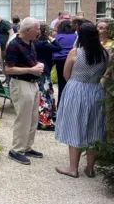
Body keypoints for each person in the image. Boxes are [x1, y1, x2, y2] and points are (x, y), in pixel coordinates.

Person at [55, 22, 110, 178]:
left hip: (76, 90)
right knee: (95, 128)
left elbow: (66, 74)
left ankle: (73, 168)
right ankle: (90, 168)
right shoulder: (105, 54)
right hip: (96, 91)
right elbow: (106, 74)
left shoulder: (75, 53)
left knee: (75, 125)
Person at [4, 17, 44, 165]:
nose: (39, 31)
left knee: (33, 118)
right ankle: (16, 150)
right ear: (28, 30)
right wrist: (31, 69)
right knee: (23, 119)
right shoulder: (14, 44)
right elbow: (8, 69)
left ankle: (26, 147)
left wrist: (37, 66)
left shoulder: (29, 42)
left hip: (32, 83)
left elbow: (29, 62)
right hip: (21, 84)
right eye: (37, 29)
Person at [34, 23, 62, 130]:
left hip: (39, 71)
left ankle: (50, 117)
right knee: (45, 95)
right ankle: (45, 121)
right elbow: (59, 47)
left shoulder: (34, 43)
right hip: (44, 72)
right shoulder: (43, 44)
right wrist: (51, 38)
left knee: (47, 93)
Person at [53, 20, 77, 107]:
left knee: (61, 82)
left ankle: (60, 104)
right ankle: (70, 104)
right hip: (72, 60)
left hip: (60, 60)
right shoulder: (75, 36)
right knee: (71, 82)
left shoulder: (58, 36)